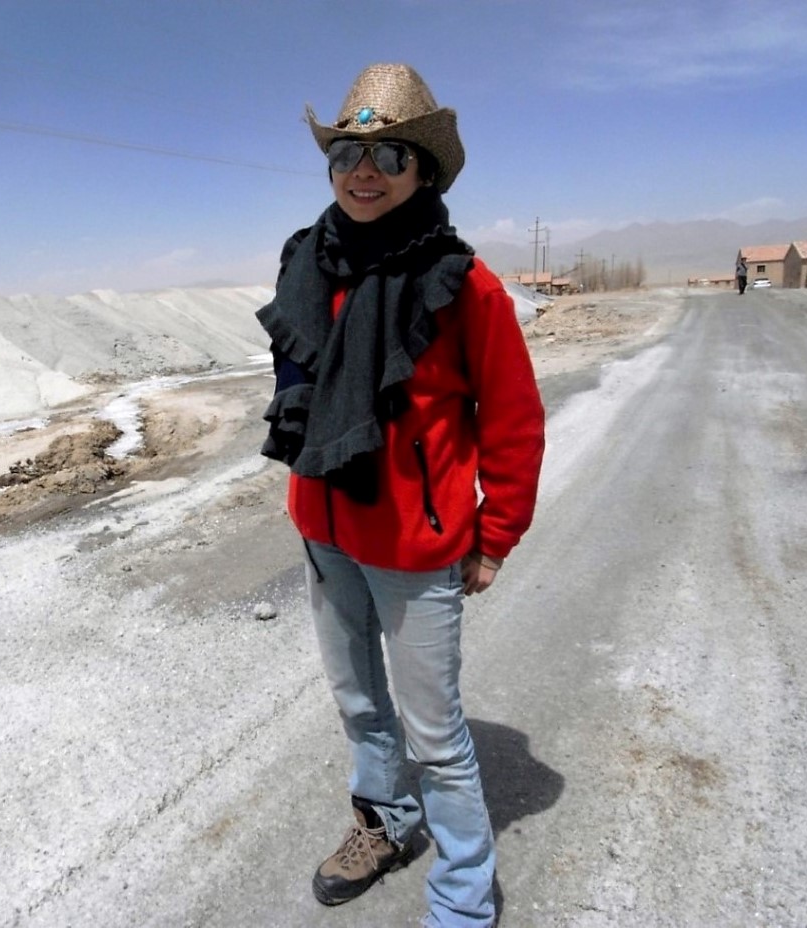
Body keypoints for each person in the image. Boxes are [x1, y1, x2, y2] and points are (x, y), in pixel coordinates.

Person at [255, 63, 546, 928]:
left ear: (423, 169)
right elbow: (294, 395)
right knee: (357, 703)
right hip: (325, 528)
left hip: (417, 549)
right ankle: (383, 823)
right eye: (347, 151)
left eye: (387, 152)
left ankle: (461, 895)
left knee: (435, 736)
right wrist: (303, 496)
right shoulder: (306, 263)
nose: (363, 169)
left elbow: (515, 421)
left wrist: (494, 537)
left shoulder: (462, 283)